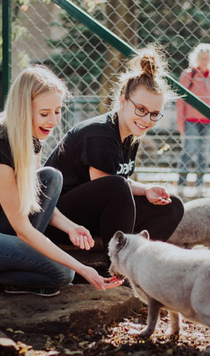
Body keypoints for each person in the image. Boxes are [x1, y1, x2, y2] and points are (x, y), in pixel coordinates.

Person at [0, 66, 123, 304]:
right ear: (24, 110)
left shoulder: (30, 138)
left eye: (57, 111)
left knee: (50, 177)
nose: (53, 120)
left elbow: (32, 199)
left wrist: (71, 227)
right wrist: (82, 268)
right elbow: (22, 228)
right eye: (44, 114)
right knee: (64, 273)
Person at [45, 46, 184, 247]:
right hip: (59, 219)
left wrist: (146, 190)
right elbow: (110, 187)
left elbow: (117, 189)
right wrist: (141, 189)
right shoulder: (101, 134)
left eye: (154, 114)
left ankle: (137, 257)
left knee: (173, 206)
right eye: (141, 109)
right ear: (123, 102)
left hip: (93, 215)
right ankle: (118, 263)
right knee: (117, 186)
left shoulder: (130, 134)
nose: (146, 119)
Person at [176, 43, 210, 197]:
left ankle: (199, 183)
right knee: (189, 150)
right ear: (196, 58)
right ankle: (181, 182)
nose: (204, 61)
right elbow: (180, 100)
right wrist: (180, 121)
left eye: (207, 59)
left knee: (204, 152)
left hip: (209, 122)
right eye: (201, 58)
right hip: (191, 120)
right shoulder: (188, 75)